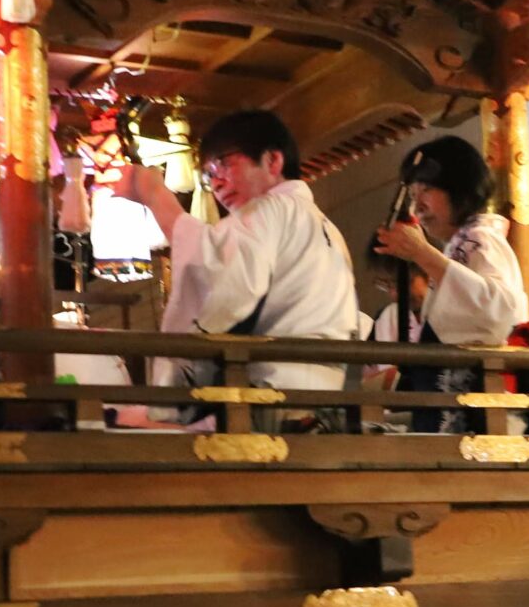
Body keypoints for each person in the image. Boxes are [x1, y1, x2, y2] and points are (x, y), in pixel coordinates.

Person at [117, 108, 365, 399]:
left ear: (272, 160)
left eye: (223, 164)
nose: (217, 183)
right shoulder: (324, 226)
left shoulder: (274, 209)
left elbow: (217, 272)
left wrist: (154, 194)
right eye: (209, 175)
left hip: (277, 389)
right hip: (322, 392)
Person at [366, 134, 527, 432]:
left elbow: (500, 310)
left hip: (475, 410)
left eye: (426, 190)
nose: (418, 207)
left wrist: (422, 253)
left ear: (459, 188)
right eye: (413, 195)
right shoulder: (461, 244)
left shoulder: (480, 239)